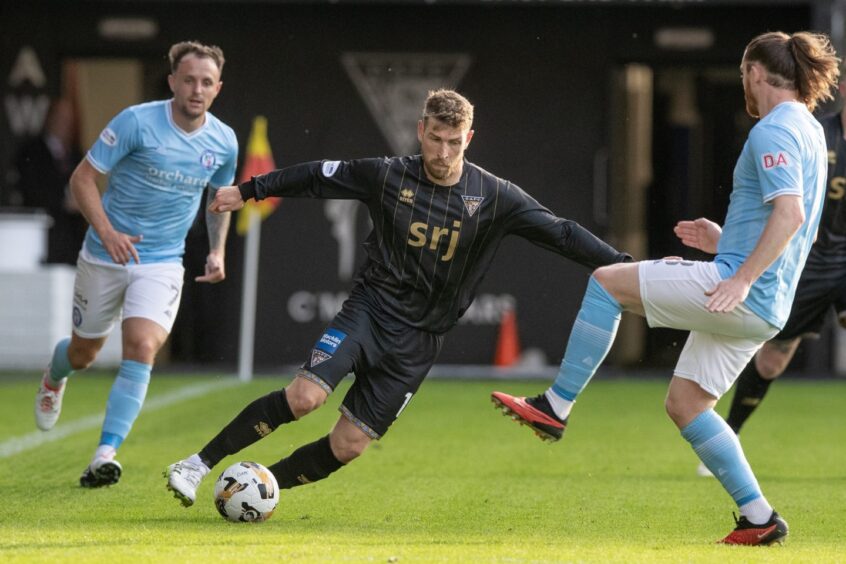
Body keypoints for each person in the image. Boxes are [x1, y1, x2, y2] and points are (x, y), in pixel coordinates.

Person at [164, 88, 632, 507]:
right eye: (435, 139)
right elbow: (317, 177)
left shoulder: (493, 195)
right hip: (370, 311)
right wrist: (248, 190)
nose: (443, 152)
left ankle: (261, 490)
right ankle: (196, 465)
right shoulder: (386, 176)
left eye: (454, 141)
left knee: (348, 445)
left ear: (470, 137)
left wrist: (624, 265)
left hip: (420, 341)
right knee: (305, 397)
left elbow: (563, 233)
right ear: (420, 130)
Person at [491, 31, 839, 546]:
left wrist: (740, 275)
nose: (744, 82)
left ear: (755, 73)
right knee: (687, 404)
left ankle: (555, 406)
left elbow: (791, 215)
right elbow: (791, 222)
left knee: (606, 283)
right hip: (767, 304)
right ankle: (759, 517)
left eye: (744, 73)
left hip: (740, 291)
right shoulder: (810, 129)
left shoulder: (774, 130)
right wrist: (727, 242)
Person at [33, 41, 238, 488]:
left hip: (163, 259)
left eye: (206, 82)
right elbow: (82, 178)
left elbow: (219, 201)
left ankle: (105, 453)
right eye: (188, 80)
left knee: (142, 346)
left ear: (217, 88)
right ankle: (55, 376)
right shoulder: (136, 121)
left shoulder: (223, 141)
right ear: (172, 82)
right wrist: (107, 231)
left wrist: (217, 250)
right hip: (104, 254)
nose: (196, 89)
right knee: (84, 353)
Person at [695, 71, 846, 477]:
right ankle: (730, 431)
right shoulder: (817, 135)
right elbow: (786, 207)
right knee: (772, 360)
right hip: (809, 264)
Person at [14, 98, 87, 264]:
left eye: (69, 120)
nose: (65, 124)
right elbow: (29, 190)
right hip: (43, 237)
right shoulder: (31, 151)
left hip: (72, 240)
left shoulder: (76, 153)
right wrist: (63, 202)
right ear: (50, 118)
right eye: (61, 118)